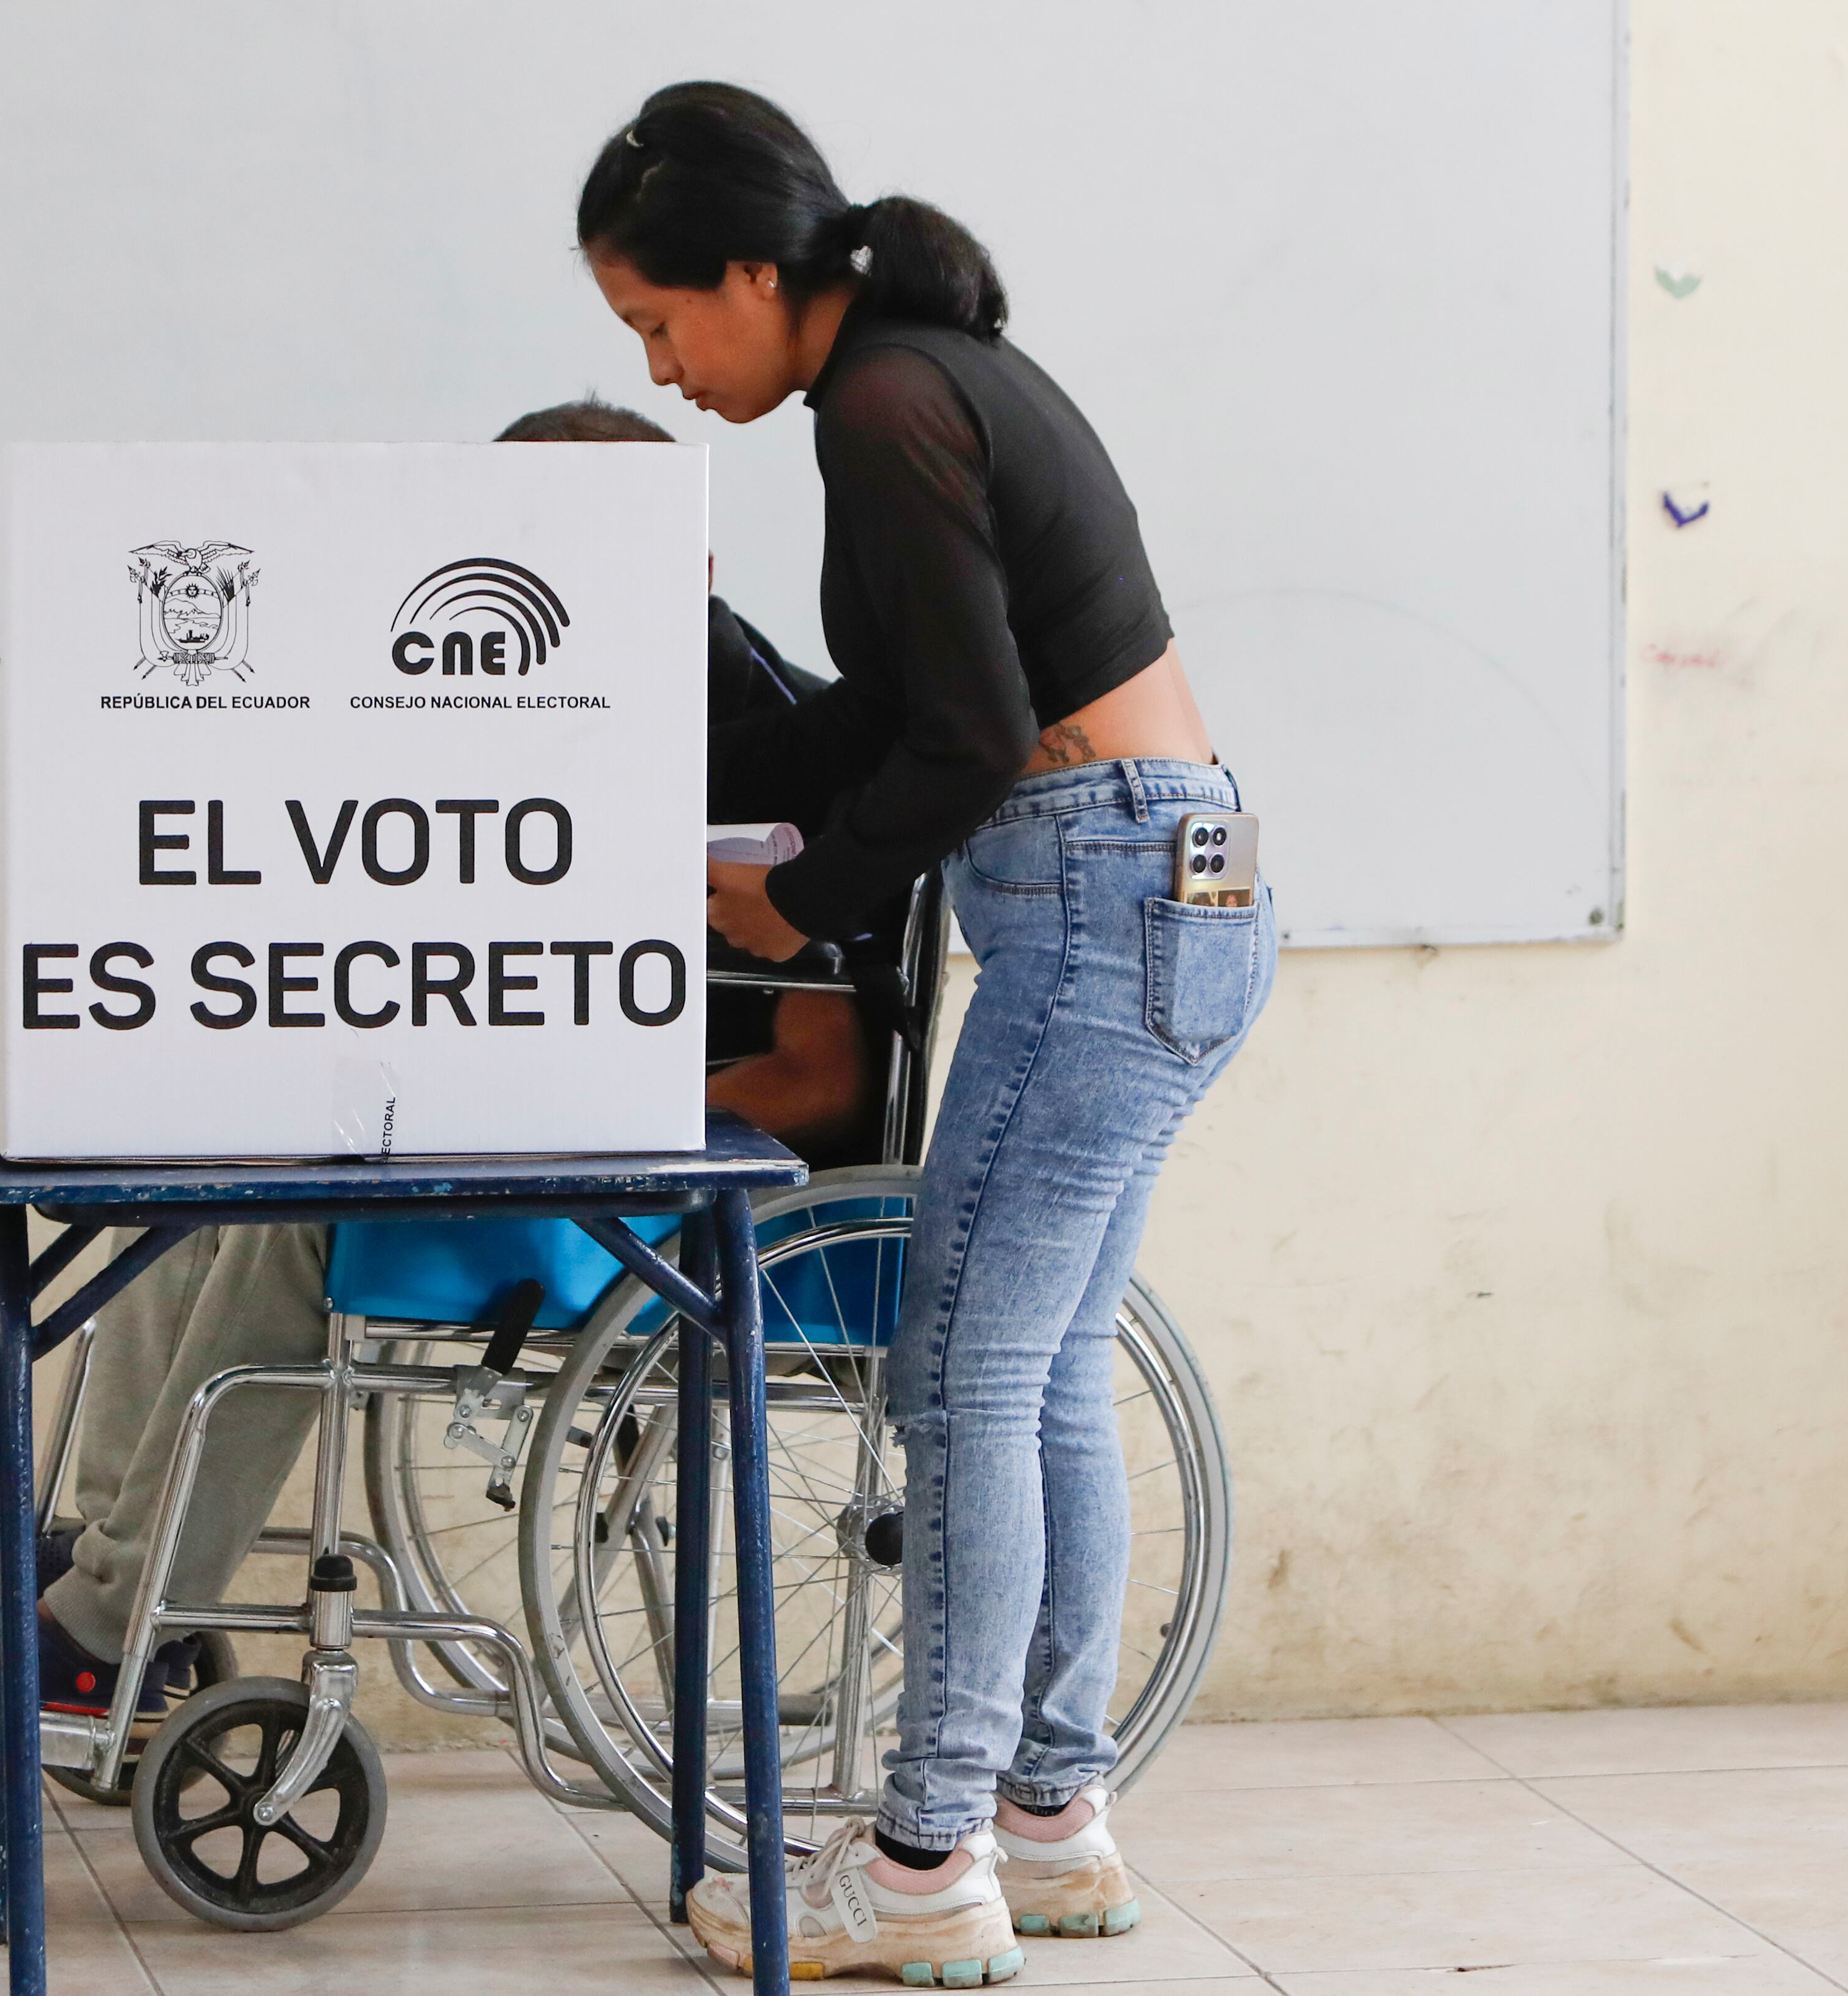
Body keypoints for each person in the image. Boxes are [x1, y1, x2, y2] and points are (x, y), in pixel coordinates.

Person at [0, 395, 879, 1735]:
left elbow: (822, 1082)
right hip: (532, 1132)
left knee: (292, 1227)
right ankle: (100, 1560)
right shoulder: (516, 705)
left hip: (686, 1195)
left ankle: (106, 1635)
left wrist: (568, 1097)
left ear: (688, 564)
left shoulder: (781, 747)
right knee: (199, 1157)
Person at [574, 83, 1277, 1982]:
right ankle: (1046, 1819)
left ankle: (919, 1861)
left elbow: (960, 743)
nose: (658, 369)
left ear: (750, 272)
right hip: (1171, 883)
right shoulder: (923, 378)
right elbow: (894, 716)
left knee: (959, 1376)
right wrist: (681, 740)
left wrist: (793, 899)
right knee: (1033, 1377)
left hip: (1093, 894)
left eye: (657, 321)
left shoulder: (881, 406)